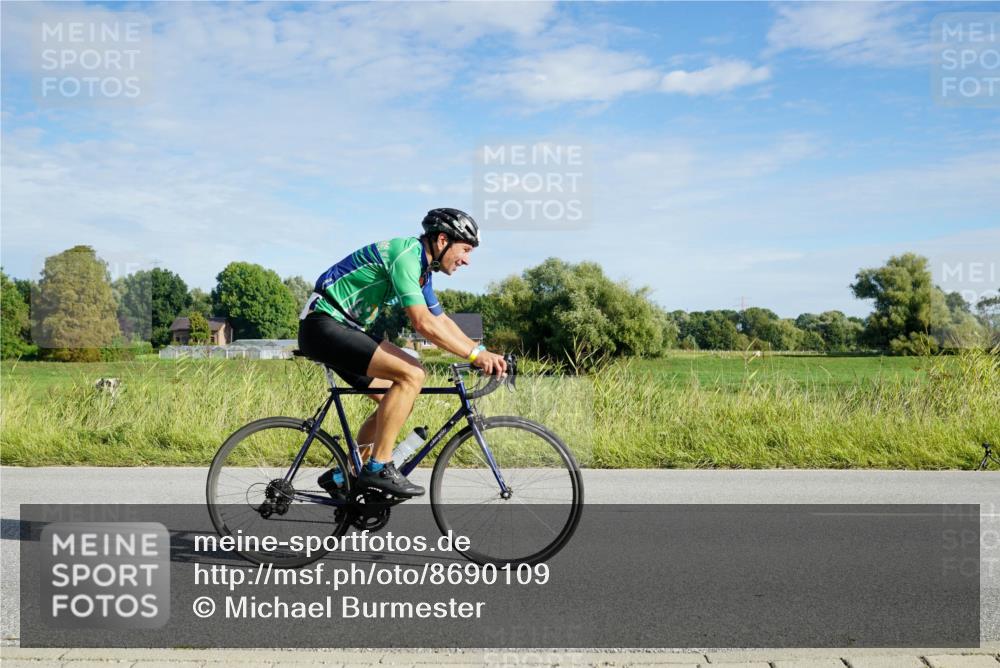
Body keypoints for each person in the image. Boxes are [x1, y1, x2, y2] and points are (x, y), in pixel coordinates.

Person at [297, 208, 507, 498]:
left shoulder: (421, 269)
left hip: (340, 329)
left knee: (393, 401)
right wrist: (473, 356)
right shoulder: (406, 255)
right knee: (413, 373)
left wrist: (481, 351)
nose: (467, 260)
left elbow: (440, 319)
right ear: (444, 240)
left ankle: (346, 474)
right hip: (324, 325)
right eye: (466, 249)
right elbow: (421, 323)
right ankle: (378, 466)